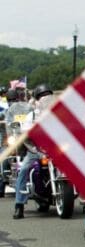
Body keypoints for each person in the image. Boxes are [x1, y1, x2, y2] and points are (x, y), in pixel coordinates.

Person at [6, 88, 36, 219]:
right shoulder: (11, 111)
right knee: (23, 170)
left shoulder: (35, 109)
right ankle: (19, 205)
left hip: (45, 147)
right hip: (30, 147)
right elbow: (10, 126)